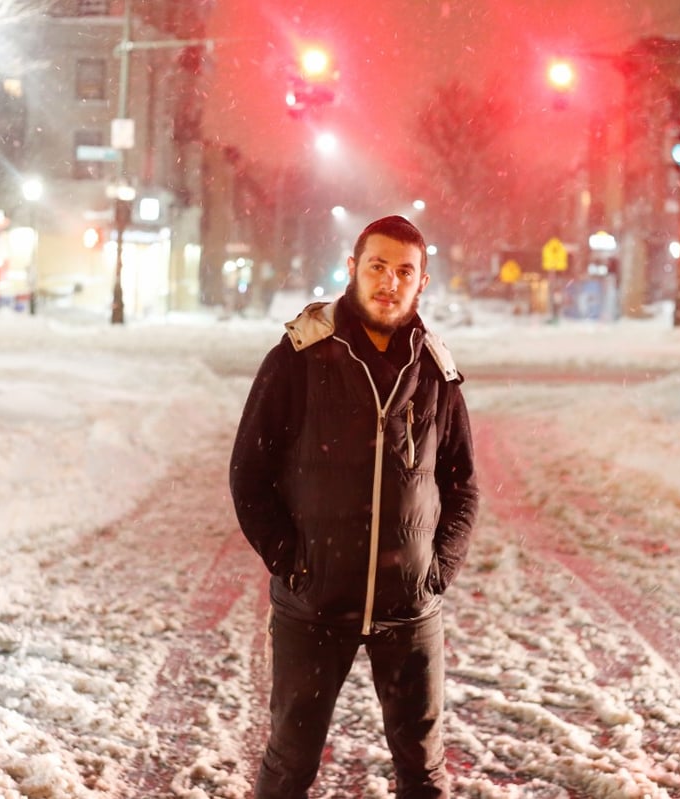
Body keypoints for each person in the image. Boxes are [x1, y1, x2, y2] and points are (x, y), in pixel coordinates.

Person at [229, 215, 480, 799]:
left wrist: (437, 570)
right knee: (290, 764)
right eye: (377, 266)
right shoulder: (299, 357)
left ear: (422, 282)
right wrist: (292, 562)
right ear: (351, 270)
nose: (389, 282)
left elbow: (463, 483)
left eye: (404, 271)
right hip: (314, 605)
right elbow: (249, 472)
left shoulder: (435, 372)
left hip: (409, 610)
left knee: (424, 772)